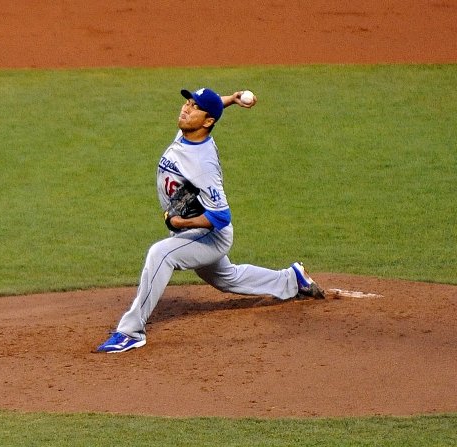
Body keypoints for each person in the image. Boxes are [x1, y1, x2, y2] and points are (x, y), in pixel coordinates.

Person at [95, 87, 325, 354]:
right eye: (188, 103)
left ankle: (130, 331)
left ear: (207, 122)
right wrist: (231, 100)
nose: (186, 109)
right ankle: (292, 280)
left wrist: (180, 224)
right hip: (193, 229)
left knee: (161, 254)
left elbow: (220, 216)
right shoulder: (188, 132)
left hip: (210, 235)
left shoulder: (203, 164)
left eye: (194, 107)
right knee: (228, 278)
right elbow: (211, 110)